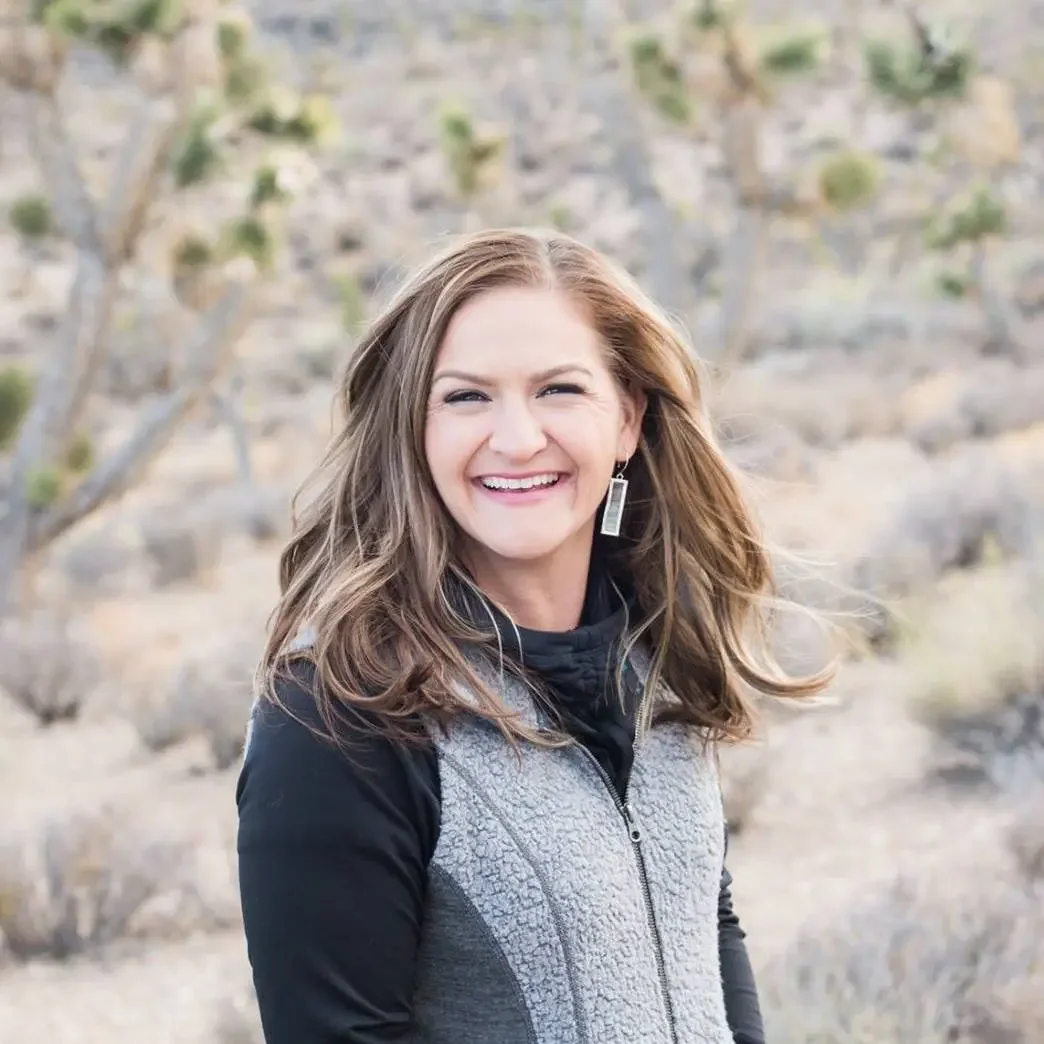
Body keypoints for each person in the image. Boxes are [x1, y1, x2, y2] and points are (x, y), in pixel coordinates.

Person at [236, 227, 833, 1043]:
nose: (517, 439)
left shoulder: (653, 647)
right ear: (413, 431)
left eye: (559, 390)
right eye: (465, 397)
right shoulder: (338, 718)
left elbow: (704, 924)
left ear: (627, 419)